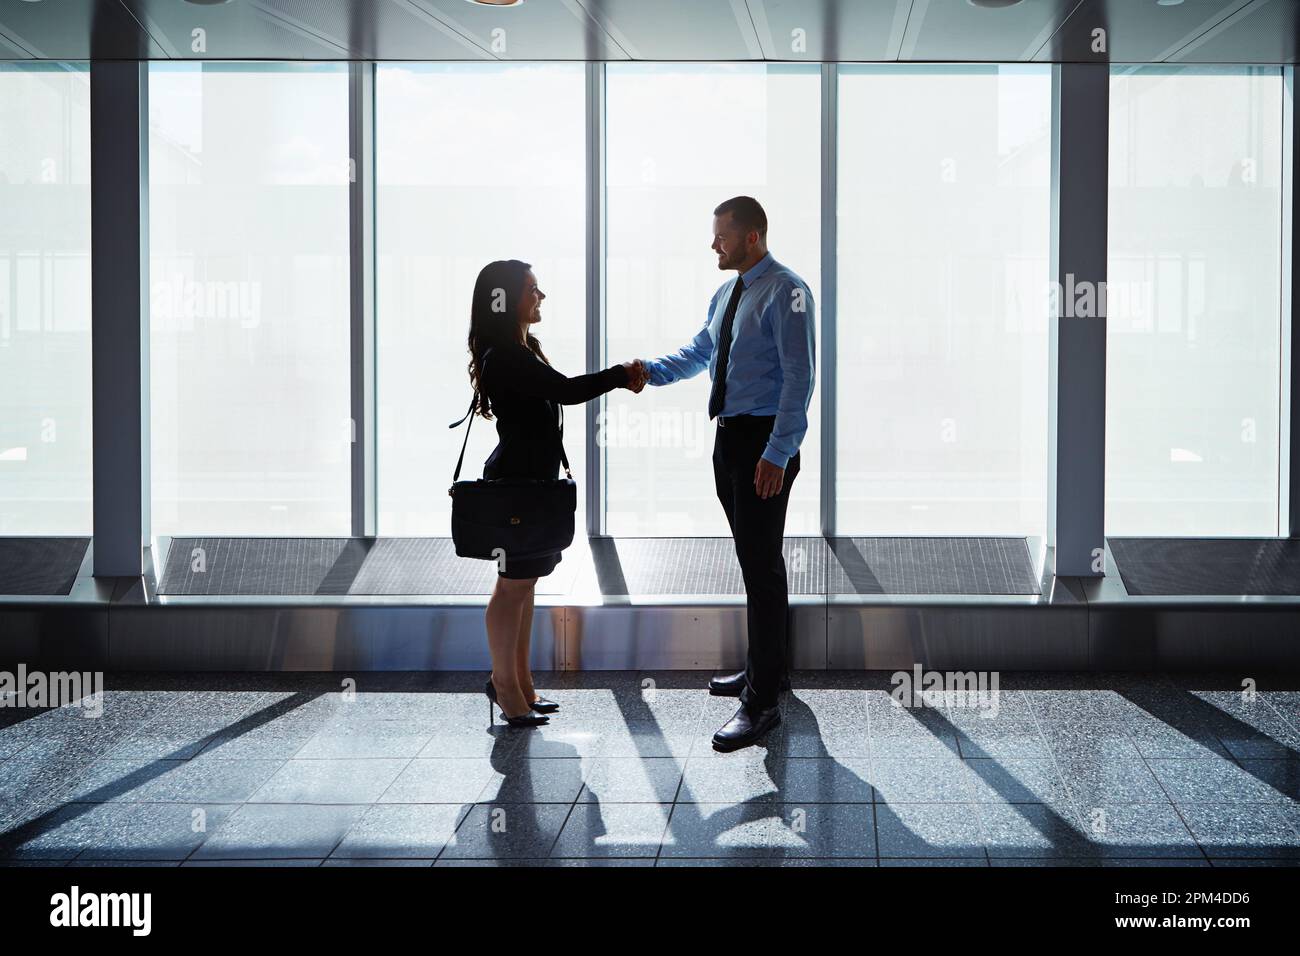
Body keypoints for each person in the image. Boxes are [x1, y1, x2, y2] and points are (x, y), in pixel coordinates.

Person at [637, 197, 815, 751]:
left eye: (722, 236)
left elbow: (799, 379)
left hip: (763, 444)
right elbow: (701, 353)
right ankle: (768, 669)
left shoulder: (787, 292)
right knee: (757, 563)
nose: (714, 245)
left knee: (760, 567)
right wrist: (650, 373)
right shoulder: (728, 293)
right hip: (730, 440)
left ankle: (760, 704)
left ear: (753, 237)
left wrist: (778, 453)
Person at [467, 259, 647, 727]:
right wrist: (620, 374)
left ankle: (520, 684)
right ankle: (505, 688)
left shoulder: (524, 347)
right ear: (504, 299)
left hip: (533, 484)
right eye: (532, 289)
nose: (540, 296)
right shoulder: (505, 355)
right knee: (512, 589)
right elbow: (566, 392)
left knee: (524, 587)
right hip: (517, 486)